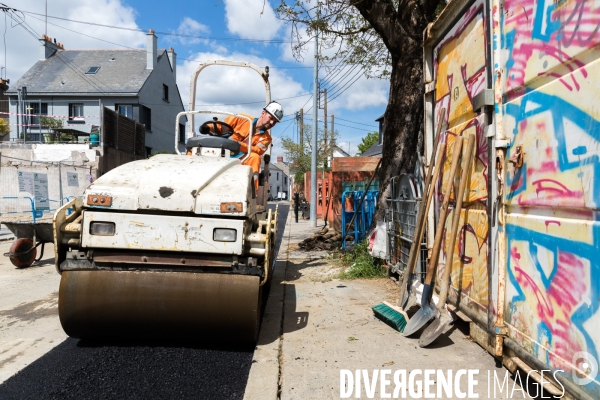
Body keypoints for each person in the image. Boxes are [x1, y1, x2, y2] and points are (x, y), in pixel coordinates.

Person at [201, 101, 283, 191]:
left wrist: (239, 146)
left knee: (255, 158)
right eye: (271, 118)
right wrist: (209, 127)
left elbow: (257, 150)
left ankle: (251, 193)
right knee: (196, 148)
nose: (271, 122)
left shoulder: (267, 139)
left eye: (275, 122)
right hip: (222, 151)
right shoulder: (242, 119)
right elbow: (221, 126)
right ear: (263, 113)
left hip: (242, 158)